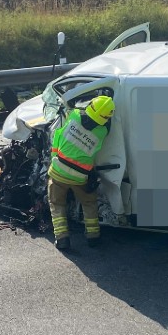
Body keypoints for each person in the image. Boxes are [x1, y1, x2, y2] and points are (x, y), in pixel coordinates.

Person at [47, 95, 114, 251]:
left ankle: (62, 238)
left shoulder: (75, 115)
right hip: (80, 176)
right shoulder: (103, 131)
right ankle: (93, 236)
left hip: (58, 169)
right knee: (89, 203)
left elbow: (58, 134)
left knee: (57, 203)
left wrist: (53, 156)